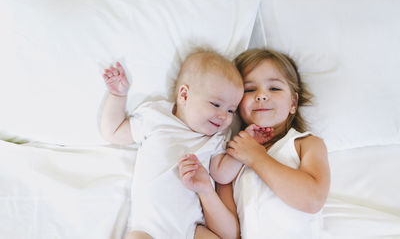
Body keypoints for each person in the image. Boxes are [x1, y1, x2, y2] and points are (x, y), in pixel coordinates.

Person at [179, 48, 330, 239]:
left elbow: (312, 200)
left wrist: (257, 157)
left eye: (274, 88)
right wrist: (206, 192)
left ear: (293, 102)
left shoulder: (305, 143)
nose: (261, 95)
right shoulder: (230, 159)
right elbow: (229, 234)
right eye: (250, 90)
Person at [100, 50, 245, 239]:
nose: (224, 116)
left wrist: (244, 152)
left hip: (191, 229)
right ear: (184, 95)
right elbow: (114, 132)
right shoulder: (157, 116)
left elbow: (222, 173)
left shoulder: (216, 137)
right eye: (216, 104)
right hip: (148, 229)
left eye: (231, 110)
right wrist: (118, 97)